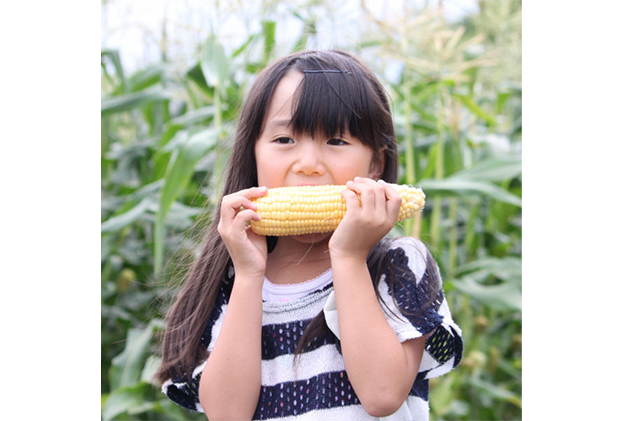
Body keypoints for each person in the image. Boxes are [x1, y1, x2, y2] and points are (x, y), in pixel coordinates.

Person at [155, 49, 462, 420]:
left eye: (336, 141)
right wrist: (250, 276)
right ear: (252, 155)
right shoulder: (233, 280)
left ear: (376, 164)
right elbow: (227, 414)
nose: (309, 165)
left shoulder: (397, 264)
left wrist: (348, 257)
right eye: (284, 140)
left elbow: (382, 395)